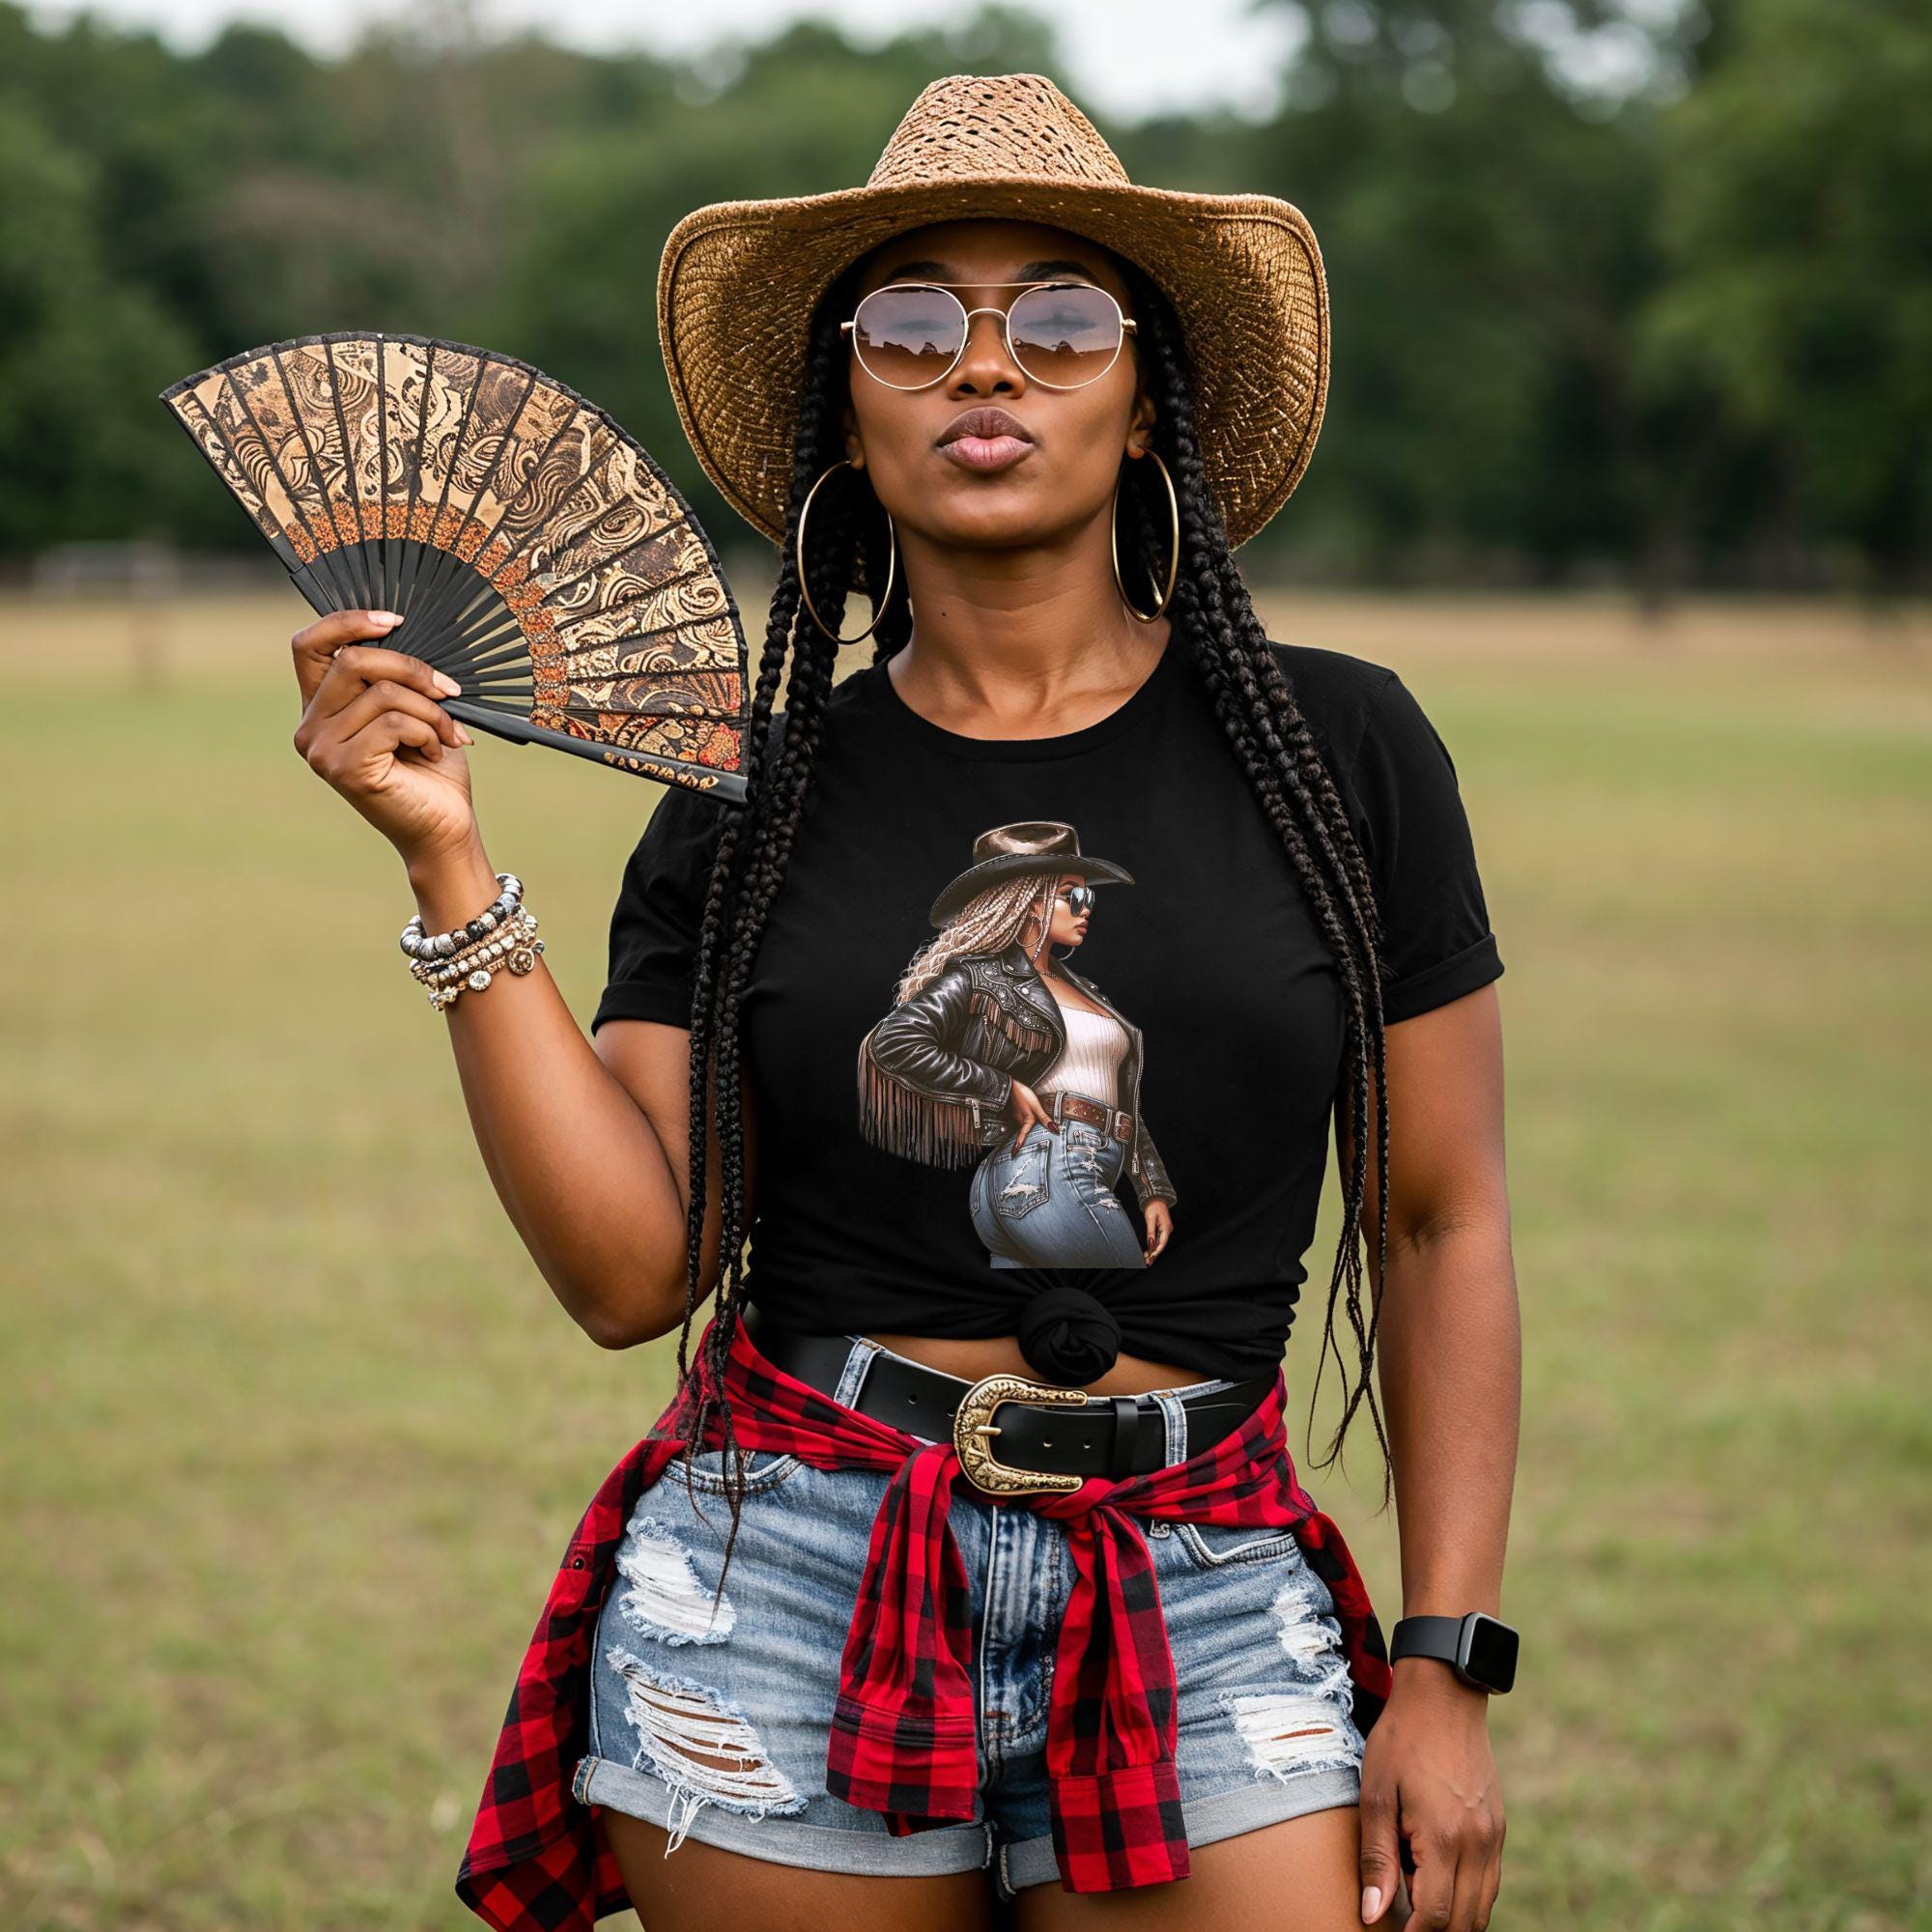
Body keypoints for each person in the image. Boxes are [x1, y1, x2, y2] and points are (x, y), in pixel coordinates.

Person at [287, 70, 1519, 1932]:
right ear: (846, 410)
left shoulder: (1342, 752)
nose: (987, 369)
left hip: (1199, 1567)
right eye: (916, 323)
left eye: (1063, 321)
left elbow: (1439, 1218)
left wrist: (1443, 1661)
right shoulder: (749, 798)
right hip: (788, 1571)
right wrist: (449, 861)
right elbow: (634, 1276)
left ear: (1148, 396)